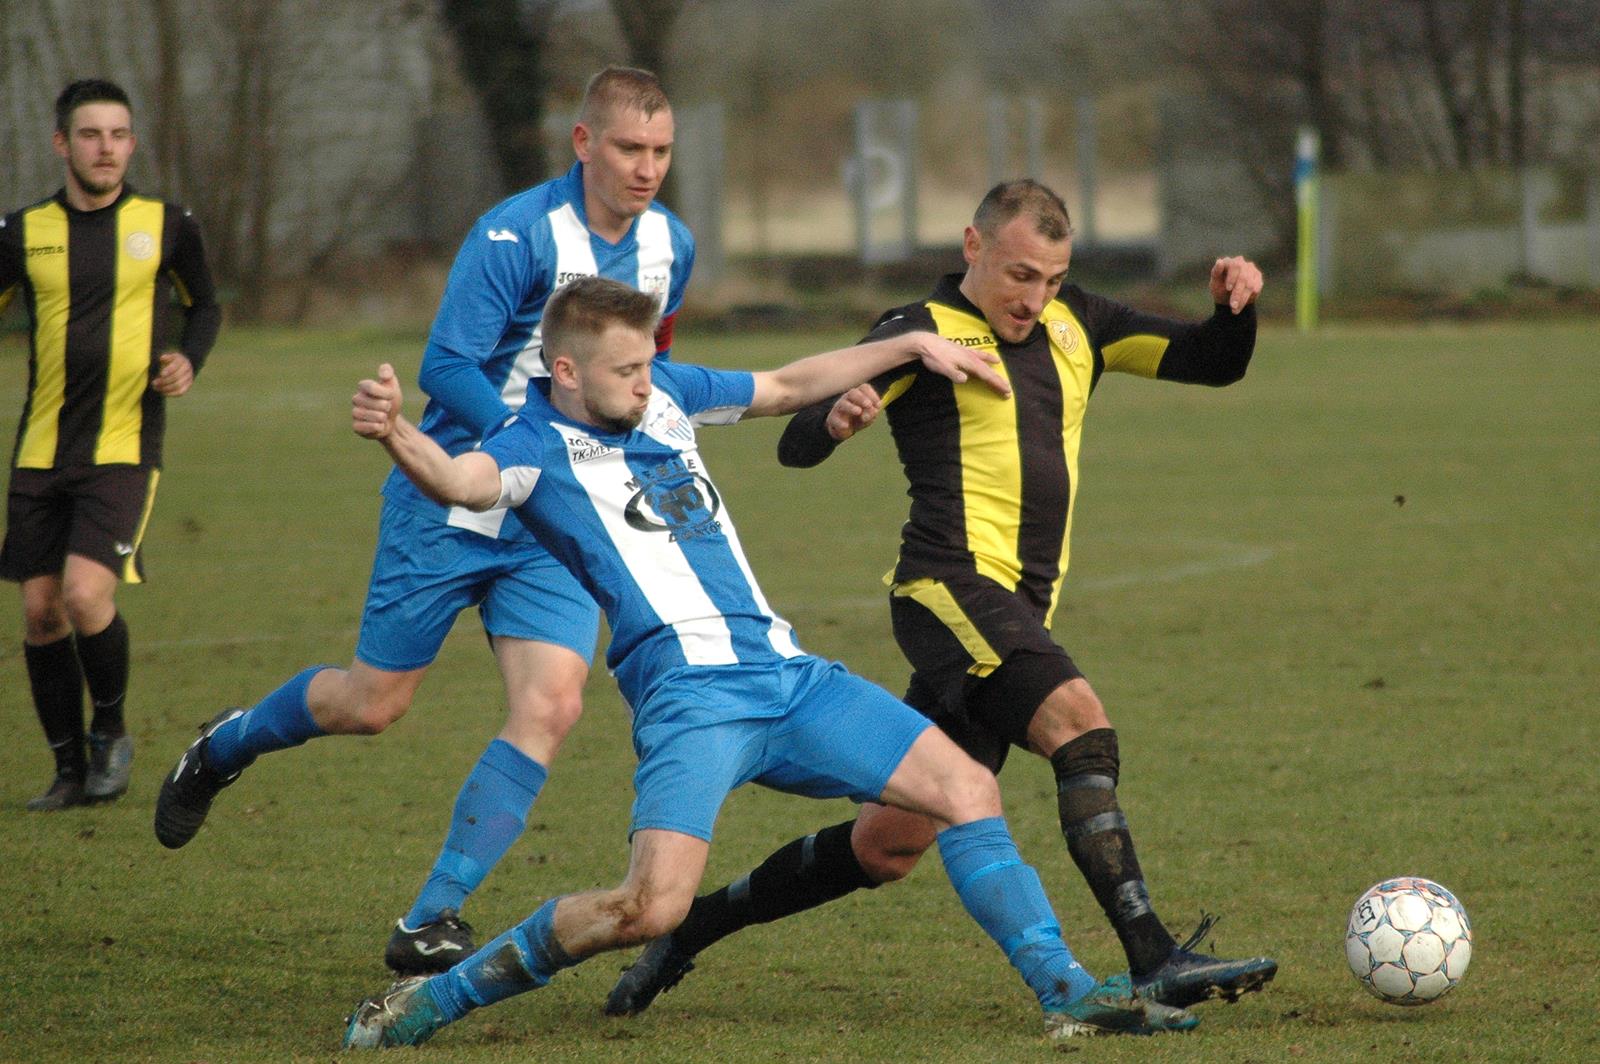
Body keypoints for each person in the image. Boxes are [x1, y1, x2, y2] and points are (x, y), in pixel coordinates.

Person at [340, 276, 1199, 1047]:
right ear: (564, 372)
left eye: (648, 364)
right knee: (650, 908)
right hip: (690, 702)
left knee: (966, 790)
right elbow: (459, 482)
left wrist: (907, 345)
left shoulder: (666, 393)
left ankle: (1069, 992)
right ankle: (435, 999)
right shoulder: (530, 445)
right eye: (624, 371)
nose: (645, 382)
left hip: (789, 678)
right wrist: (395, 434)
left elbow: (788, 385)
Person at [605, 179, 1278, 1016]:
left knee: (888, 844)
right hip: (947, 590)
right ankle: (1153, 956)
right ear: (973, 247)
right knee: (1079, 721)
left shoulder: (1081, 326)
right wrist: (839, 419)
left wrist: (1235, 309)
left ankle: (684, 935)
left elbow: (1214, 363)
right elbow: (795, 443)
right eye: (1021, 274)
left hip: (1015, 613)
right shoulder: (916, 333)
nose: (1035, 299)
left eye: (1054, 279)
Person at [151, 66, 691, 975]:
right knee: (374, 703)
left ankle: (432, 916)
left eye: (663, 151)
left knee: (554, 704)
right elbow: (446, 366)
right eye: (631, 148)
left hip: (552, 521)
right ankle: (224, 743)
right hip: (449, 492)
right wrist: (519, 452)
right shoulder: (517, 232)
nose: (647, 168)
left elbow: (650, 361)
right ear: (584, 143)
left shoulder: (671, 243)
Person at [1, 79, 220, 811]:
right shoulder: (22, 232)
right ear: (63, 144)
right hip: (39, 448)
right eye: (91, 135)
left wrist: (188, 357)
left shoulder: (167, 224)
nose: (107, 148)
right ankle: (68, 771)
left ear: (132, 142)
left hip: (125, 446)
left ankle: (112, 732)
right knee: (40, 613)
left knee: (86, 594)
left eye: (119, 134)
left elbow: (206, 304)